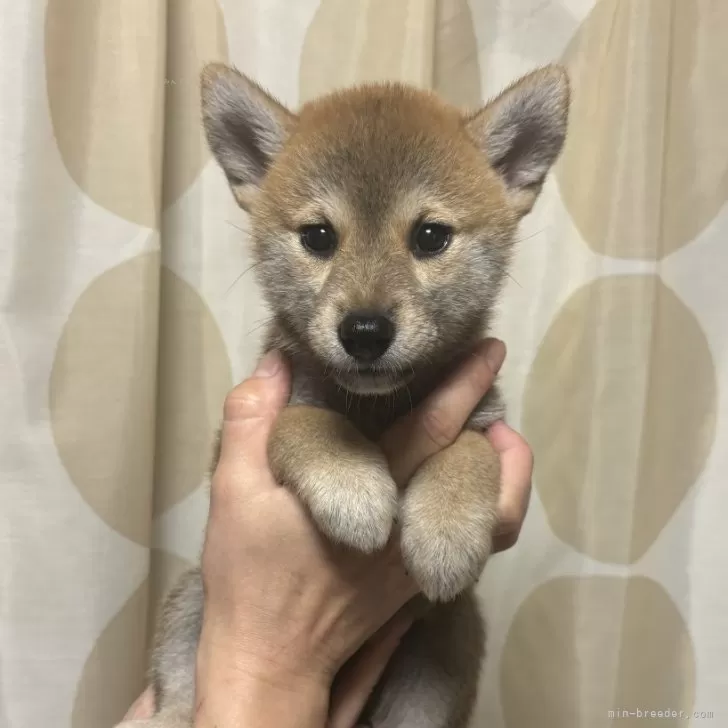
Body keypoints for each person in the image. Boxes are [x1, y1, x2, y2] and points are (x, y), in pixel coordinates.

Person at [121, 339, 533, 728]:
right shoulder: (289, 373)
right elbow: (239, 504)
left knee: (457, 626)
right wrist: (302, 436)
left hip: (404, 651)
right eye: (321, 255)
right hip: (235, 666)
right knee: (195, 596)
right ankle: (176, 709)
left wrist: (466, 466)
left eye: (427, 255)